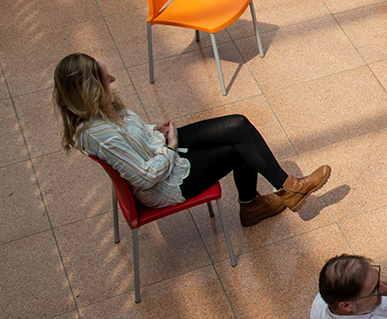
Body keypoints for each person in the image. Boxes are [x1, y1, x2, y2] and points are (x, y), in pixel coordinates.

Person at [52, 53, 330, 227]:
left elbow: (133, 139)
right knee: (238, 149)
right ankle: (259, 203)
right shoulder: (101, 136)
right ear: (90, 90)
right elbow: (145, 177)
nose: (112, 79)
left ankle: (285, 188)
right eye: (105, 78)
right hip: (165, 182)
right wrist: (170, 148)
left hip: (160, 150)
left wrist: (154, 130)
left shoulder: (99, 112)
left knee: (239, 125)